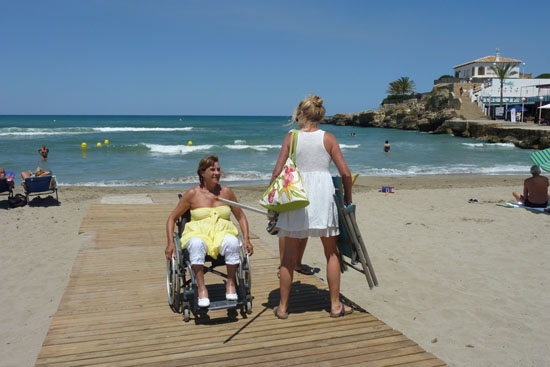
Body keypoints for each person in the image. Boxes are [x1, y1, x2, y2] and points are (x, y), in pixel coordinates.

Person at [270, 94, 353, 319]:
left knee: (288, 257)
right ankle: (335, 305)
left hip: (297, 195)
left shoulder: (291, 138)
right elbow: (345, 172)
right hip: (323, 195)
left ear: (301, 114)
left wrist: (272, 201)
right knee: (331, 253)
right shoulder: (328, 138)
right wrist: (347, 197)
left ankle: (283, 308)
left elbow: (277, 172)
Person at [165, 155, 254, 308]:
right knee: (196, 243)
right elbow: (172, 218)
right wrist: (170, 243)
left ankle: (231, 283)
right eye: (212, 169)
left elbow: (241, 217)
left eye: (218, 169)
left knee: (233, 241)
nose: (216, 173)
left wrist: (246, 238)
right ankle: (201, 288)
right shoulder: (193, 194)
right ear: (202, 173)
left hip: (222, 235)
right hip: (198, 234)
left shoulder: (226, 193)